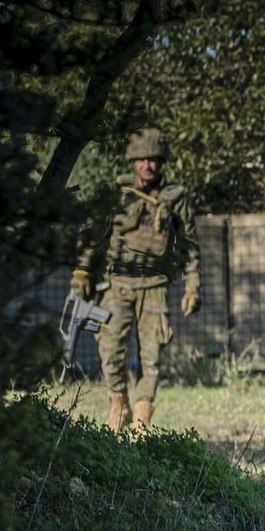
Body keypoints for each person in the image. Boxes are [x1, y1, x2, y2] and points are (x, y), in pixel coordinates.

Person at [73, 128, 200, 432]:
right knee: (110, 350)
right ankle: (119, 404)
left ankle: (142, 420)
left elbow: (189, 246)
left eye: (153, 160)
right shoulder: (117, 194)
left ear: (162, 162)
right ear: (133, 161)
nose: (147, 166)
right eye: (141, 159)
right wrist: (82, 271)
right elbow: (92, 236)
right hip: (116, 285)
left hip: (154, 286)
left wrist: (192, 286)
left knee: (152, 356)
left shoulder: (175, 199)